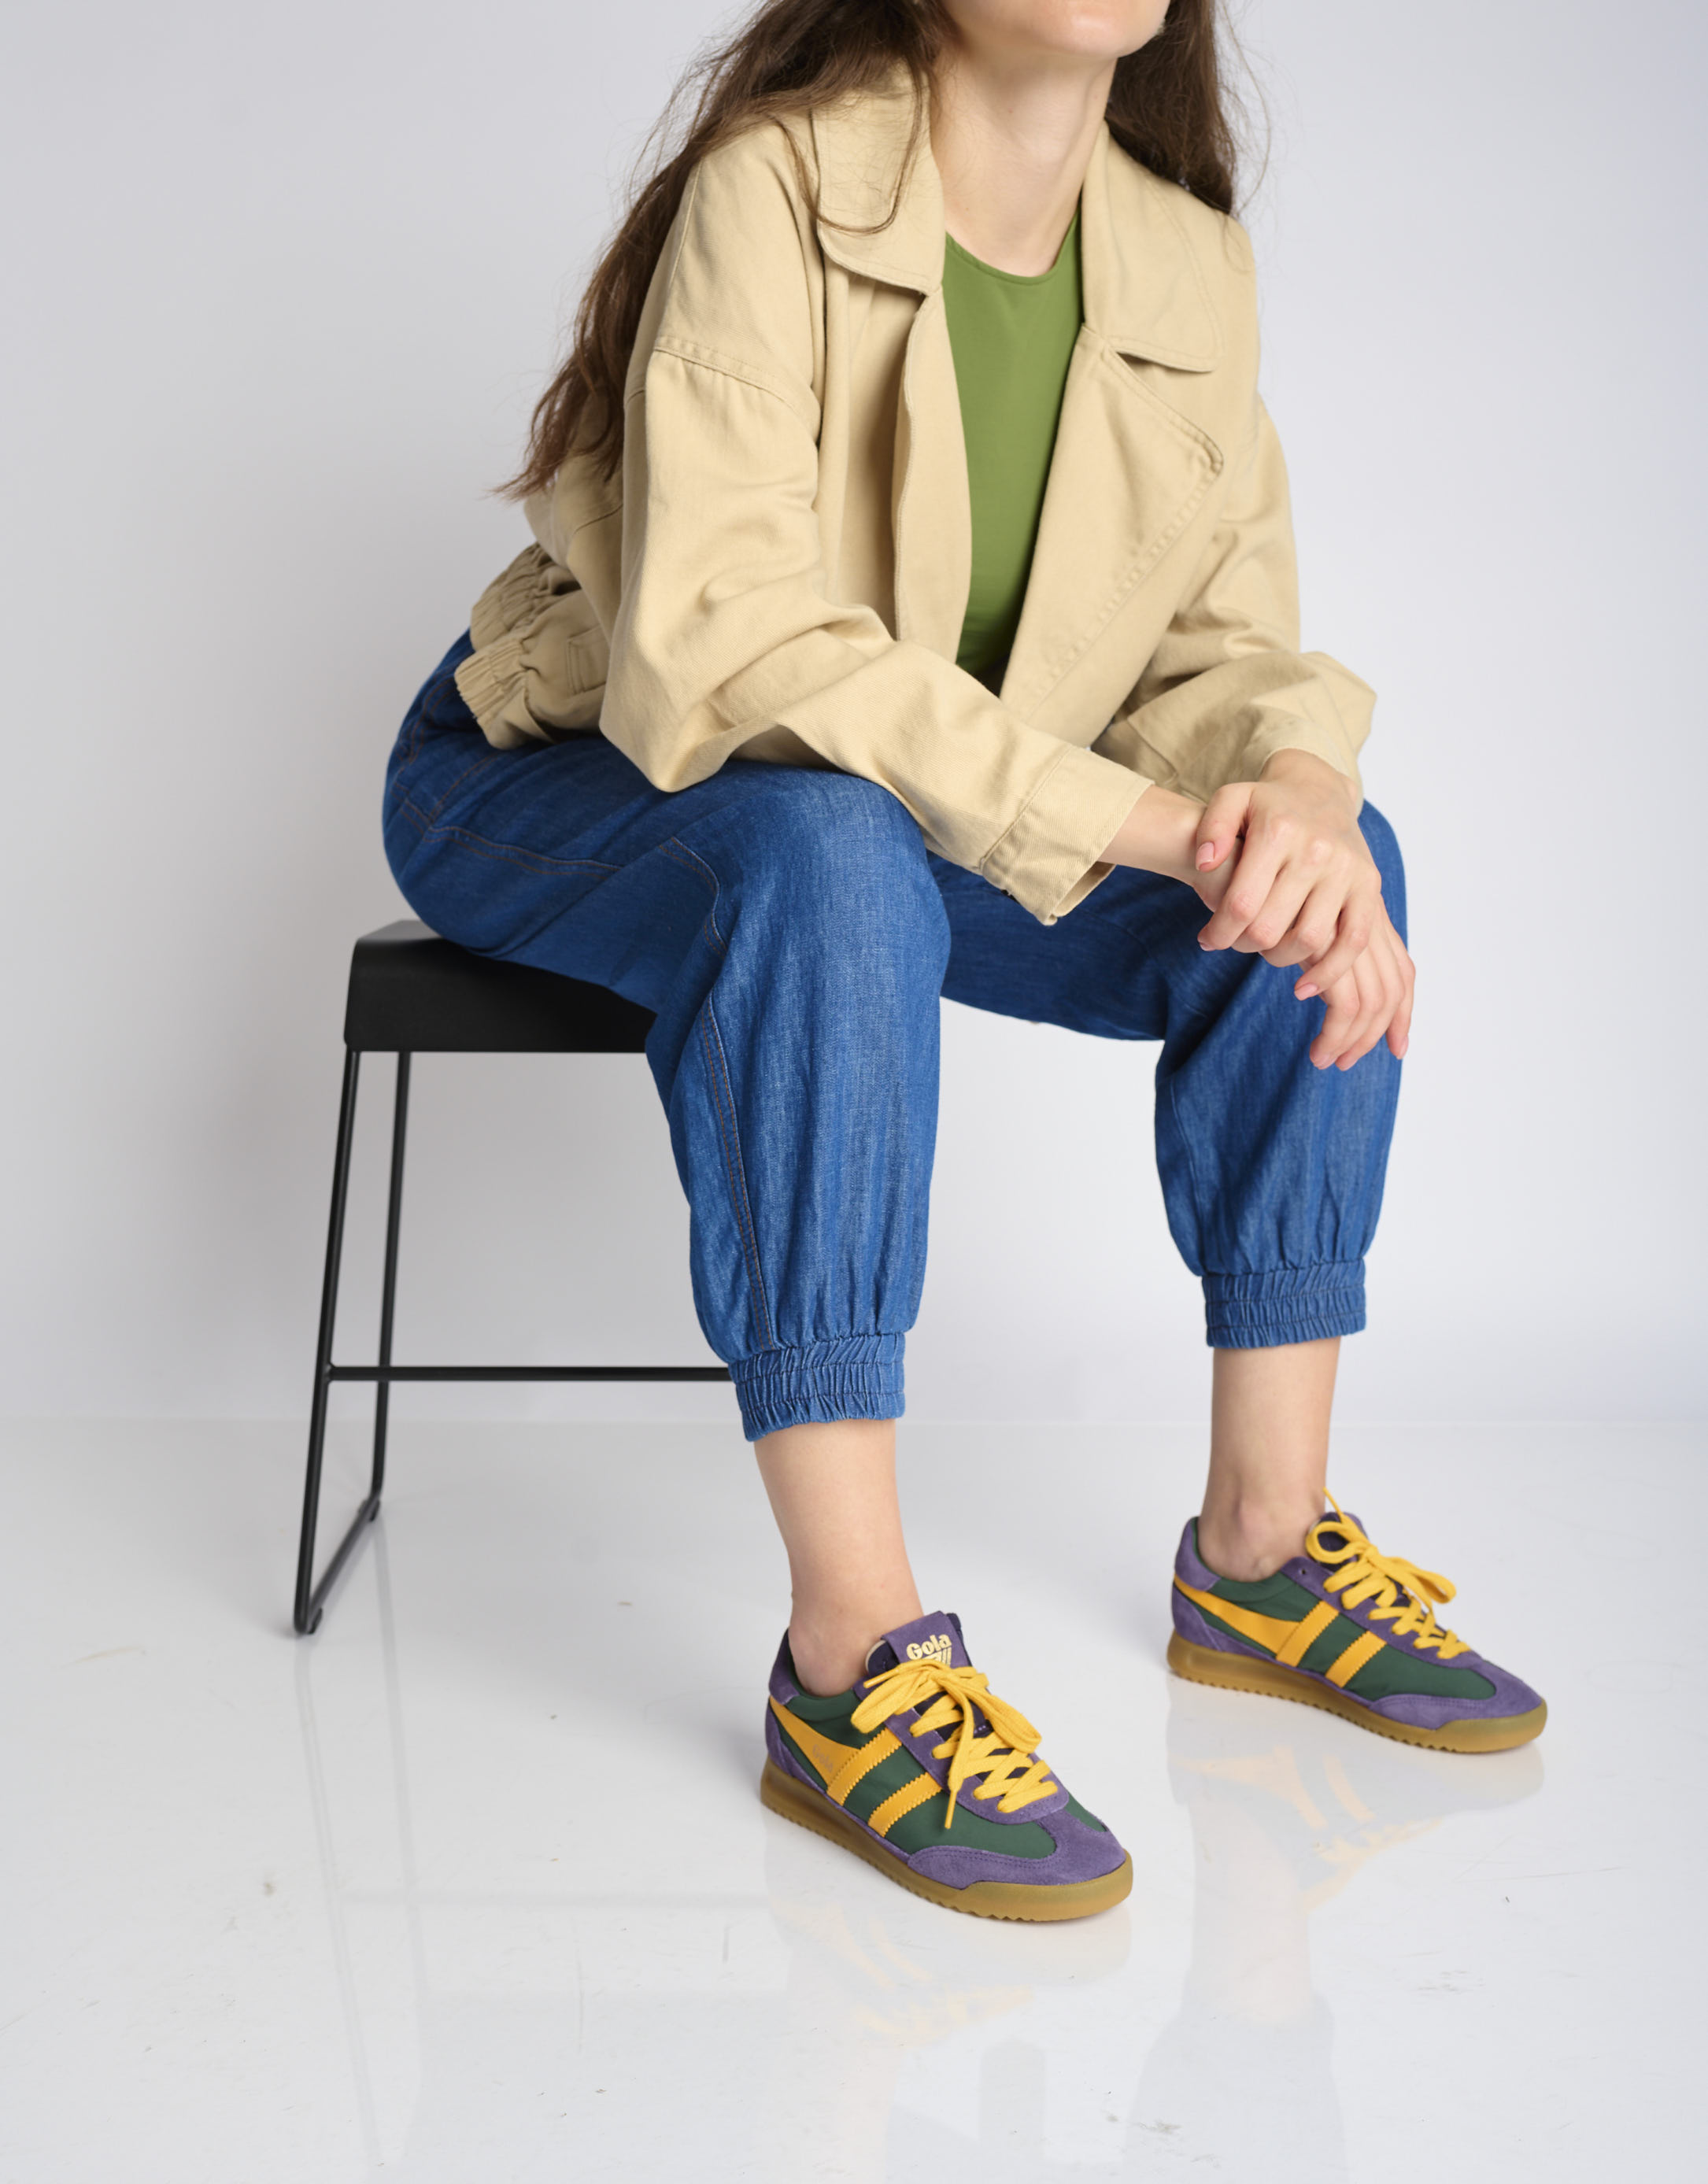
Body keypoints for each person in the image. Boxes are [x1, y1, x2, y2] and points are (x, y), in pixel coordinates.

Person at [382, 0, 1543, 1922]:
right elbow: (728, 651)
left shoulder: (1180, 256)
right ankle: (850, 1664)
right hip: (564, 769)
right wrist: (1153, 821)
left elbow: (1223, 649)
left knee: (1328, 874)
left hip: (920, 799)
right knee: (828, 852)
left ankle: (1262, 1551)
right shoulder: (774, 187)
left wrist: (1300, 787)